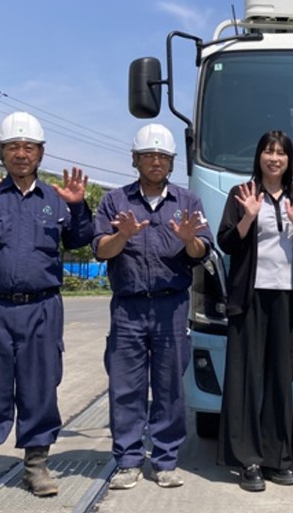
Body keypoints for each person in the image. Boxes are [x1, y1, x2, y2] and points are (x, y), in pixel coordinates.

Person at [0, 111, 94, 504]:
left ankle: (36, 466)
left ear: (40, 154)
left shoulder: (55, 199)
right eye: (13, 147)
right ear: (2, 153)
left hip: (42, 307)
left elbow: (80, 239)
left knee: (40, 386)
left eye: (29, 147)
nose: (21, 154)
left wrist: (79, 207)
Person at [93, 124, 214, 490]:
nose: (156, 162)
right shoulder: (115, 201)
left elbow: (202, 251)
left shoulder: (188, 202)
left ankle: (165, 460)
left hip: (171, 307)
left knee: (169, 387)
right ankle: (128, 460)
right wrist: (123, 235)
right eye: (148, 156)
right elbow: (101, 250)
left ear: (172, 162)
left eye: (163, 156)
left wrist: (189, 240)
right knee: (126, 387)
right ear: (135, 160)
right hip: (128, 308)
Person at [216, 130, 293, 492]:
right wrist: (248, 217)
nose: (274, 158)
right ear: (259, 156)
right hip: (249, 298)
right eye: (268, 152)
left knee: (279, 378)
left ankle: (278, 458)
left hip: (287, 298)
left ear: (290, 160)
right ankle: (248, 460)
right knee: (246, 378)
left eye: (281, 153)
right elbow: (226, 242)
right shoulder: (242, 193)